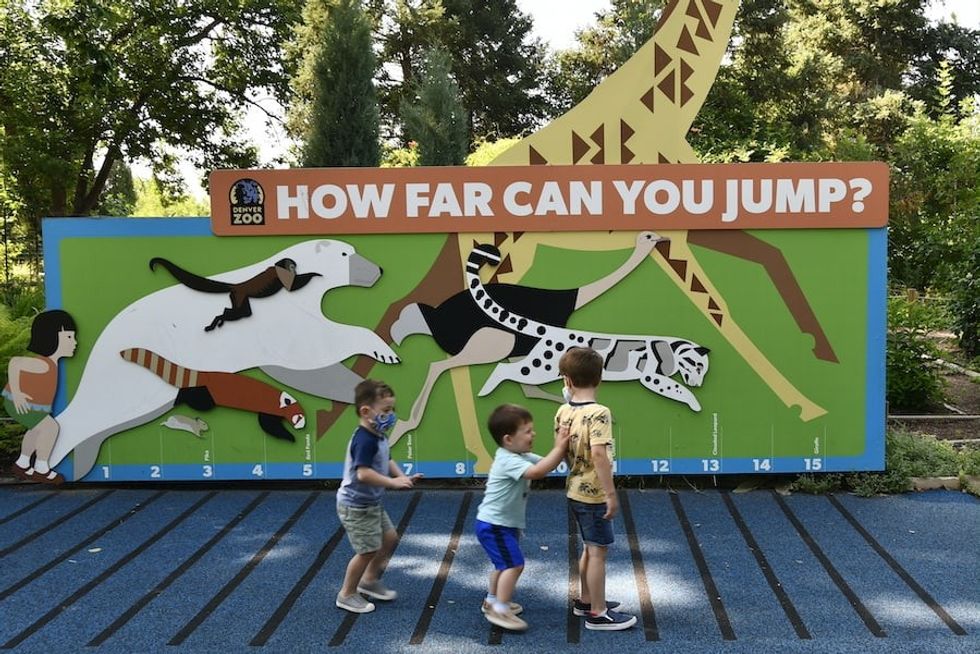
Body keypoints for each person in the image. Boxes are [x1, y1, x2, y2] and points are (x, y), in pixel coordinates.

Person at [556, 346, 637, 631]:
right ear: (599, 379)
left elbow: (561, 449)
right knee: (599, 551)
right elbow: (600, 454)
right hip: (594, 493)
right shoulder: (599, 413)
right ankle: (598, 613)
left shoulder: (563, 411)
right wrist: (611, 493)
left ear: (567, 380)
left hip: (574, 488)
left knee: (589, 548)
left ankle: (585, 600)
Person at [475, 403, 569, 631]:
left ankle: (492, 600)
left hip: (500, 524)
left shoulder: (520, 455)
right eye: (527, 431)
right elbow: (538, 472)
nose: (533, 434)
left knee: (502, 564)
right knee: (514, 565)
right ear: (508, 439)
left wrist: (562, 451)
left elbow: (546, 463)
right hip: (494, 525)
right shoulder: (508, 460)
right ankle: (501, 608)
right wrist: (560, 446)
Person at [335, 379, 421, 614]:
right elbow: (363, 474)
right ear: (365, 411)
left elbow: (388, 459)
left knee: (390, 538)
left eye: (392, 409)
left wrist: (403, 477)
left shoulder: (379, 434)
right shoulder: (365, 439)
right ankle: (347, 594)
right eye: (385, 410)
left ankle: (369, 580)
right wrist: (392, 483)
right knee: (367, 551)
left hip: (370, 503)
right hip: (355, 506)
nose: (391, 415)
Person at [4, 310, 78, 485]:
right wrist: (16, 393)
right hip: (19, 403)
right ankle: (42, 468)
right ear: (52, 338)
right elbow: (15, 362)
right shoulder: (43, 364)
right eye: (69, 338)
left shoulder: (50, 364)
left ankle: (22, 463)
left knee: (36, 429)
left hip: (33, 405)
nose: (74, 342)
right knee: (50, 428)